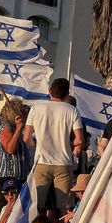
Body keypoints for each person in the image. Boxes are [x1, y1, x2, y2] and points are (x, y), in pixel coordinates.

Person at [25, 77, 84, 214]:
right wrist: (67, 143)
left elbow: (27, 137)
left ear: (50, 91)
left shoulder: (36, 108)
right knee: (65, 207)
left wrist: (37, 144)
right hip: (63, 162)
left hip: (41, 161)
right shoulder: (72, 110)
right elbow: (80, 139)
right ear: (67, 94)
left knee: (36, 206)